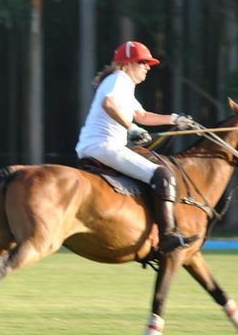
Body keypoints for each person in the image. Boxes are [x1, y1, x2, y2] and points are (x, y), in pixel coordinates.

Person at [75, 41, 198, 254]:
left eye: (148, 63)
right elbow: (108, 103)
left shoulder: (125, 86)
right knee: (162, 175)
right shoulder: (118, 79)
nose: (147, 67)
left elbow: (142, 116)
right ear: (127, 64)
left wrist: (175, 119)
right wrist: (131, 128)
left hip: (100, 146)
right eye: (142, 62)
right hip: (104, 146)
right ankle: (167, 235)